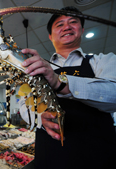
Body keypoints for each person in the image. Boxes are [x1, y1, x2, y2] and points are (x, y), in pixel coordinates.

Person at [21, 6, 116, 169]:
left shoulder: (102, 61)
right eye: (59, 24)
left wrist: (60, 83)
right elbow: (25, 105)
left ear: (82, 29)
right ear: (50, 36)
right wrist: (38, 117)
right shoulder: (37, 69)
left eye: (73, 22)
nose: (67, 26)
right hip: (48, 158)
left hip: (97, 158)